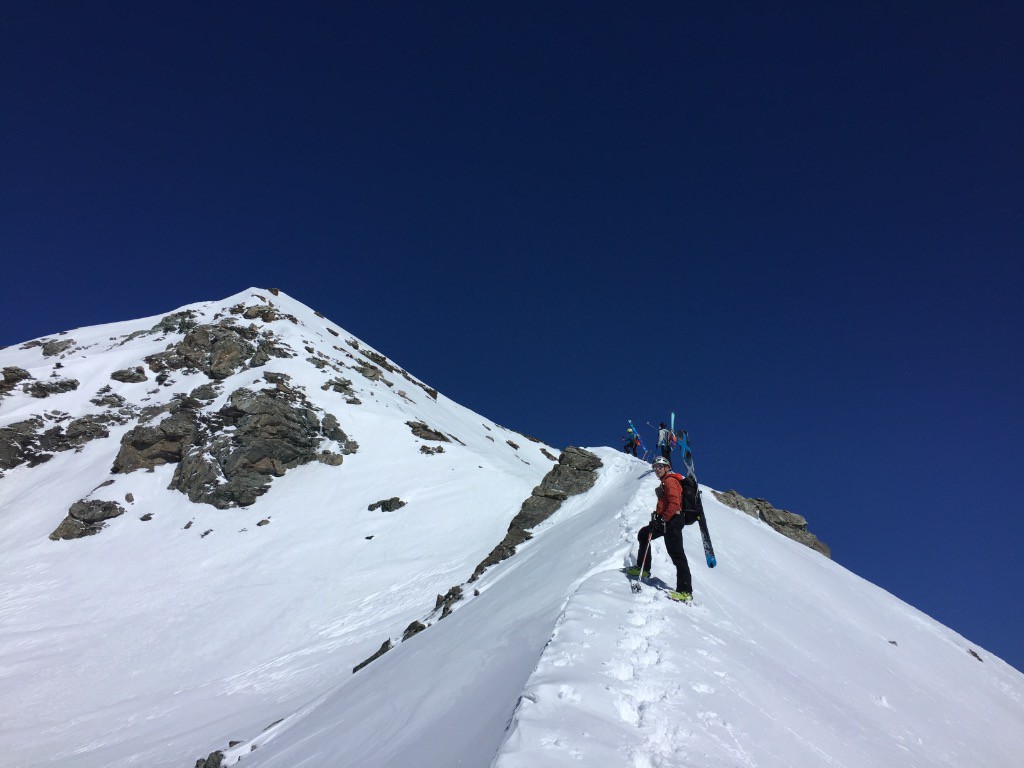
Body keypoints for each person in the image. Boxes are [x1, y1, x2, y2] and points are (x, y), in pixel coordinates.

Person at [627, 456, 693, 602]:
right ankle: (643, 569)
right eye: (654, 467)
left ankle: (685, 591)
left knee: (677, 554)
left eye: (660, 467)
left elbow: (675, 503)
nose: (657, 470)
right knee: (644, 534)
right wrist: (657, 518)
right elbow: (665, 503)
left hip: (673, 521)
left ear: (667, 467)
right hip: (665, 521)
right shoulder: (664, 482)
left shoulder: (670, 481)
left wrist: (663, 518)